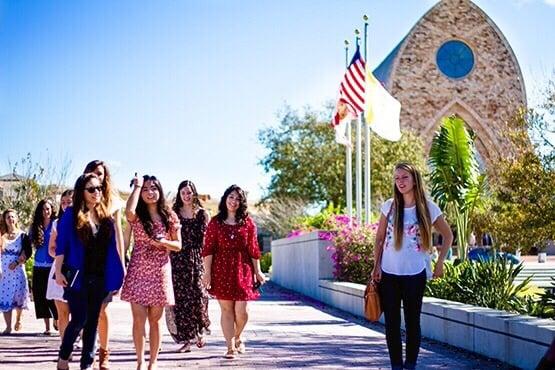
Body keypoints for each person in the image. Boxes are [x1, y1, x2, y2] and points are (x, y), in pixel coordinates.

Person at [371, 162, 453, 370]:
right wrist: (376, 266)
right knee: (391, 323)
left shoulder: (428, 207)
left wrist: (440, 261)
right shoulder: (389, 206)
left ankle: (410, 365)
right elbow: (379, 239)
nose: (400, 182)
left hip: (415, 275)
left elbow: (448, 235)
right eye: (397, 178)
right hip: (389, 274)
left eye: (404, 177)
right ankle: (396, 366)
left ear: (414, 180)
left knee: (412, 322)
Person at [55, 173, 124, 370]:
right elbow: (62, 245)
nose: (97, 192)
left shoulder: (105, 216)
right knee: (78, 319)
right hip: (78, 277)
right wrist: (59, 271)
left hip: (100, 277)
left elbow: (113, 246)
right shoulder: (71, 214)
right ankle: (64, 354)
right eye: (91, 189)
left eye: (99, 188)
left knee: (92, 321)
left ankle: (86, 364)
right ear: (82, 192)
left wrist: (118, 273)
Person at [121, 174, 181, 370]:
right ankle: (139, 361)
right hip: (138, 268)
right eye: (146, 189)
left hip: (160, 270)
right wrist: (137, 186)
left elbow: (178, 245)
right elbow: (128, 210)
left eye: (153, 188)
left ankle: (153, 362)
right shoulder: (137, 215)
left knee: (155, 320)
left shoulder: (169, 215)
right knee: (138, 319)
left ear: (160, 191)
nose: (150, 192)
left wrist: (163, 242)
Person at [202, 184, 265, 359]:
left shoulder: (248, 222)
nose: (234, 201)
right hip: (221, 269)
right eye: (231, 197)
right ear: (225, 199)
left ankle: (238, 336)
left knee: (241, 310)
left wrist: (258, 271)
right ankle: (229, 347)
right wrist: (207, 273)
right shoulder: (215, 222)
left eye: (238, 199)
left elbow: (253, 249)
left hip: (242, 269)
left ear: (241, 202)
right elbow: (209, 249)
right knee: (226, 310)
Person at [83, 160, 125, 369]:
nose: (96, 176)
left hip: (106, 262)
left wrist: (122, 264)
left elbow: (118, 234)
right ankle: (88, 351)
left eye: (99, 173)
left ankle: (104, 352)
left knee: (101, 309)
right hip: (83, 262)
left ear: (105, 177)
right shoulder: (80, 201)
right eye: (92, 173)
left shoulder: (112, 203)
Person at [166, 180, 211, 353]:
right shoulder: (174, 213)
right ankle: (187, 340)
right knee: (181, 300)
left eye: (189, 192)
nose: (186, 195)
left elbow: (207, 242)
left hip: (197, 259)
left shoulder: (202, 214)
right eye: (183, 192)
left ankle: (199, 331)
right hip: (178, 259)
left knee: (199, 296)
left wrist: (208, 265)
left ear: (194, 194)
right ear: (179, 194)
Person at [46, 189, 73, 341]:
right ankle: (65, 345)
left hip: (80, 272)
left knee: (80, 312)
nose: (66, 205)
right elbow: (51, 248)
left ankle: (83, 340)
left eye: (69, 202)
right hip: (60, 269)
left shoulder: (87, 221)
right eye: (63, 202)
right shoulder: (57, 223)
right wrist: (61, 257)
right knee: (62, 312)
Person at [30, 199, 59, 335]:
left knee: (53, 296)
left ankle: (57, 319)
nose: (45, 212)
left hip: (52, 265)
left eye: (48, 209)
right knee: (40, 296)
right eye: (43, 209)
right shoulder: (36, 226)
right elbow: (28, 244)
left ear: (52, 209)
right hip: (38, 265)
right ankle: (47, 327)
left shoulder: (56, 224)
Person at [0, 209, 31, 334]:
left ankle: (18, 319)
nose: (10, 219)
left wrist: (17, 262)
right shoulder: (2, 235)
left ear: (16, 219)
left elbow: (27, 252)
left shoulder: (23, 235)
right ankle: (8, 327)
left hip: (18, 269)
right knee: (5, 297)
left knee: (19, 296)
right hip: (5, 271)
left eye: (12, 217)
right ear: (5, 220)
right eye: (8, 217)